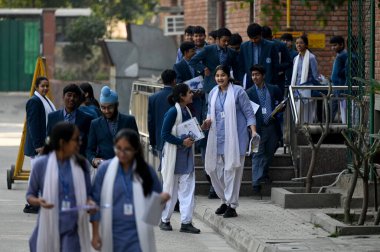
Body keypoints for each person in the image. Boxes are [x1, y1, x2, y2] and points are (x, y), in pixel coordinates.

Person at [91, 129, 169, 252]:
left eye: (127, 149)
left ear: (136, 149)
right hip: (111, 233)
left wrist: (160, 201)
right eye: (118, 148)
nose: (121, 153)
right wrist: (95, 234)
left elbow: (155, 213)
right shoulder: (104, 170)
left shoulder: (146, 171)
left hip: (138, 235)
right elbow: (95, 202)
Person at [26, 122, 93, 252]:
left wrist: (90, 204)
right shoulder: (41, 164)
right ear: (63, 143)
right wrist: (38, 201)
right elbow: (30, 195)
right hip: (48, 227)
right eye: (75, 140)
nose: (80, 142)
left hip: (72, 229)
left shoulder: (82, 164)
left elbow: (88, 196)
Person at [201, 65, 257, 218]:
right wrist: (206, 122)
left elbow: (249, 113)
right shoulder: (213, 92)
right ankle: (225, 199)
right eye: (217, 75)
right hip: (217, 138)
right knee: (214, 171)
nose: (220, 78)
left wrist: (253, 131)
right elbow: (209, 114)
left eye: (223, 75)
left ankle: (232, 205)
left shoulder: (239, 91)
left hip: (236, 138)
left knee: (232, 171)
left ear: (228, 76)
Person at [159, 83, 201, 233]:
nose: (192, 94)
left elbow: (190, 130)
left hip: (186, 157)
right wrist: (181, 142)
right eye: (189, 93)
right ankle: (165, 220)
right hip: (174, 157)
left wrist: (202, 128)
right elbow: (164, 134)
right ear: (182, 96)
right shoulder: (172, 112)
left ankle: (186, 222)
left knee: (188, 190)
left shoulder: (187, 110)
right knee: (170, 190)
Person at [246, 65, 283, 194]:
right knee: (257, 154)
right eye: (253, 75)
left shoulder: (273, 89)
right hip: (257, 128)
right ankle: (256, 183)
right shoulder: (249, 93)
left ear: (263, 76)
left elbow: (280, 103)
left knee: (269, 152)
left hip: (272, 127)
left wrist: (278, 112)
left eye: (257, 74)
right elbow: (247, 112)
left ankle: (264, 173)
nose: (254, 77)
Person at [24, 76, 56, 214]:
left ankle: (37, 201)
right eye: (42, 86)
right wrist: (38, 146)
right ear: (36, 87)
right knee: (36, 175)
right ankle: (32, 203)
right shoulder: (34, 101)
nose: (45, 88)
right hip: (38, 147)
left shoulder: (45, 100)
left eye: (47, 86)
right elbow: (33, 125)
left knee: (40, 174)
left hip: (45, 144)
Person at [86, 86, 138, 168]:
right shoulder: (95, 124)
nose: (106, 111)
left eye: (110, 107)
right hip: (104, 168)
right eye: (103, 108)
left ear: (117, 105)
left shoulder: (129, 121)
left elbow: (136, 146)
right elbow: (89, 150)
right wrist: (94, 160)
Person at [47, 84, 93, 157]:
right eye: (69, 95)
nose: (72, 98)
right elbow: (48, 138)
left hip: (78, 160)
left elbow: (90, 143)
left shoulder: (87, 118)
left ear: (79, 99)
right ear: (63, 96)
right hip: (57, 158)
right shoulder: (52, 117)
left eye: (75, 96)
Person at [189, 27, 239, 93]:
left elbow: (236, 68)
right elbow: (193, 61)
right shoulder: (208, 49)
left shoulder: (231, 52)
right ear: (218, 39)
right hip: (211, 85)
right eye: (224, 41)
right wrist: (203, 68)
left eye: (228, 41)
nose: (226, 43)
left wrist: (237, 81)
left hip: (226, 86)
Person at [237, 23, 279, 89]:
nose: (253, 40)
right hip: (250, 82)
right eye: (251, 38)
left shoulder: (271, 46)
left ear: (261, 34)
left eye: (256, 38)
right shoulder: (244, 46)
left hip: (267, 81)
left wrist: (274, 81)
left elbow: (275, 66)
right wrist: (242, 81)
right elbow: (241, 66)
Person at [148, 69, 177, 159]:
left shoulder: (153, 98)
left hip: (160, 141)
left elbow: (150, 122)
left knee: (164, 171)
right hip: (178, 140)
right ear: (174, 80)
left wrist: (152, 142)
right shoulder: (179, 96)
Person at [291, 35, 319, 124]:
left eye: (301, 43)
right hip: (296, 90)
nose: (298, 45)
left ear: (306, 45)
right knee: (297, 116)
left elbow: (315, 76)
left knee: (307, 116)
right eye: (297, 43)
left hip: (307, 90)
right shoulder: (296, 58)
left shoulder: (311, 58)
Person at [262, 26, 292, 96]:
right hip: (263, 81)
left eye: (267, 40)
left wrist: (277, 67)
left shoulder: (280, 45)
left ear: (271, 37)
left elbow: (289, 62)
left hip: (277, 81)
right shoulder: (259, 46)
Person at [330, 36, 348, 123]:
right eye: (332, 45)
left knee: (340, 106)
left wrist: (340, 74)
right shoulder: (339, 55)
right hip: (336, 85)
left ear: (341, 45)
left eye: (335, 45)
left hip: (340, 85)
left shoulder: (343, 55)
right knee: (335, 105)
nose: (333, 47)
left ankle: (330, 123)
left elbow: (346, 69)